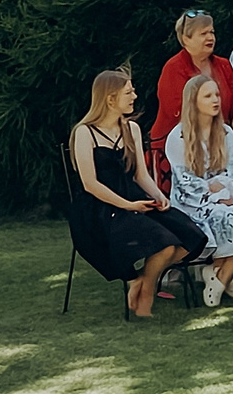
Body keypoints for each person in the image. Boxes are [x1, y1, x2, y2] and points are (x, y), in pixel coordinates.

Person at [65, 69, 200, 319]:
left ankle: (143, 283)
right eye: (129, 92)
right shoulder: (85, 132)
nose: (135, 96)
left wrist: (159, 196)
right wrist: (128, 206)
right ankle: (143, 291)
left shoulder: (132, 129)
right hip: (99, 207)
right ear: (110, 99)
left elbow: (141, 175)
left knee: (191, 236)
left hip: (134, 198)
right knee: (165, 244)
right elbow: (90, 184)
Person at [164, 73, 233, 304]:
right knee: (223, 216)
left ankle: (219, 277)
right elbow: (185, 181)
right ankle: (221, 275)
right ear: (194, 101)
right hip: (193, 202)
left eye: (217, 94)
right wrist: (216, 194)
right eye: (208, 96)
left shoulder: (226, 132)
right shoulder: (178, 137)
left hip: (228, 194)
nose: (215, 100)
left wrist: (229, 193)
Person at [148, 10, 233, 179]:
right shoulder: (173, 68)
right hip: (181, 146)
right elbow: (176, 110)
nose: (210, 37)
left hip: (219, 140)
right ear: (186, 40)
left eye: (212, 32)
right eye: (203, 34)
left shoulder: (223, 64)